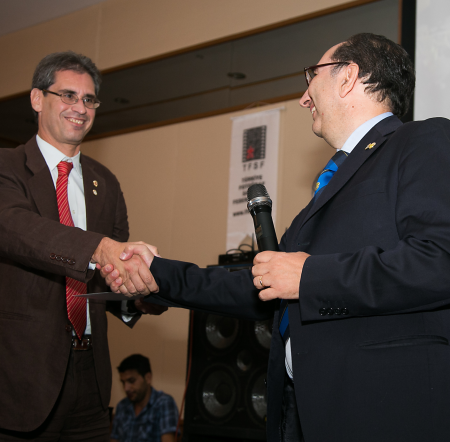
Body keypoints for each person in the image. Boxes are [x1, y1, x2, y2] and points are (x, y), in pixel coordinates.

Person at [101, 33, 450, 442]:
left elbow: (439, 260)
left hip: (381, 412)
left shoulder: (422, 141)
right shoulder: (329, 187)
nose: (304, 97)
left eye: (313, 75)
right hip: (300, 414)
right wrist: (156, 274)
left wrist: (309, 277)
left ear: (348, 77)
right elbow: (258, 284)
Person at [0, 51, 161, 441]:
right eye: (68, 95)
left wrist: (138, 293)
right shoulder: (6, 166)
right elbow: (17, 229)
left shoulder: (106, 183)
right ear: (37, 99)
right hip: (21, 378)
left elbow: (107, 275)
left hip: (92, 376)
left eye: (89, 99)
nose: (80, 108)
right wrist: (99, 248)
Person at [111, 354, 178, 442]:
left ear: (148, 378)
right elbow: (114, 439)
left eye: (131, 381)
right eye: (123, 382)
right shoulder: (122, 406)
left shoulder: (163, 403)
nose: (126, 388)